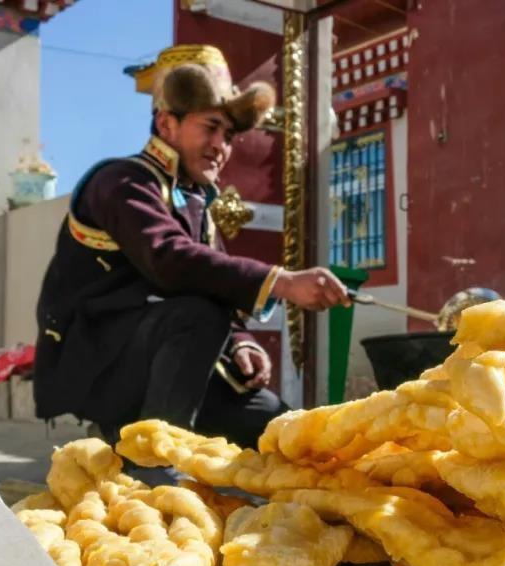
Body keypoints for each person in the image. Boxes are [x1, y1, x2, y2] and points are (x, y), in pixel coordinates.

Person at [33, 44, 347, 451]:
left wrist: (241, 343)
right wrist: (282, 282)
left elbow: (209, 283)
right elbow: (170, 259)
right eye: (210, 127)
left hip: (174, 367)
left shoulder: (198, 203)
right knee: (196, 315)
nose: (221, 145)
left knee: (282, 432)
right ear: (167, 125)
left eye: (229, 135)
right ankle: (150, 461)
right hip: (104, 366)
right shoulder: (122, 183)